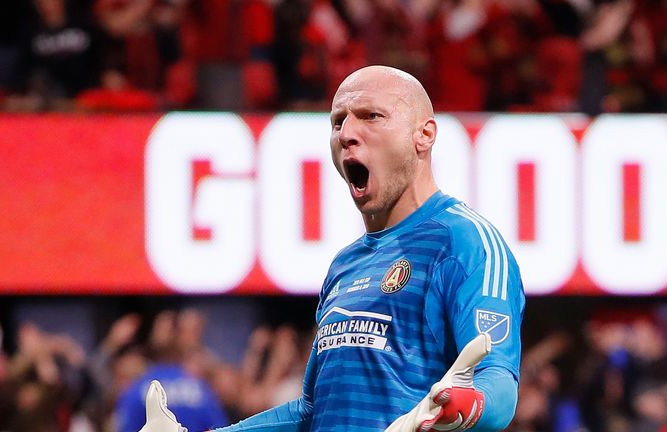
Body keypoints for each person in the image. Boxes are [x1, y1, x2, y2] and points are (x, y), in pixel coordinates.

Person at [142, 65, 525, 432]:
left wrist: (457, 405)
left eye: (371, 116)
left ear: (423, 135)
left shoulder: (465, 242)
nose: (347, 133)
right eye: (338, 122)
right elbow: (312, 411)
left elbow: (499, 388)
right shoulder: (346, 265)